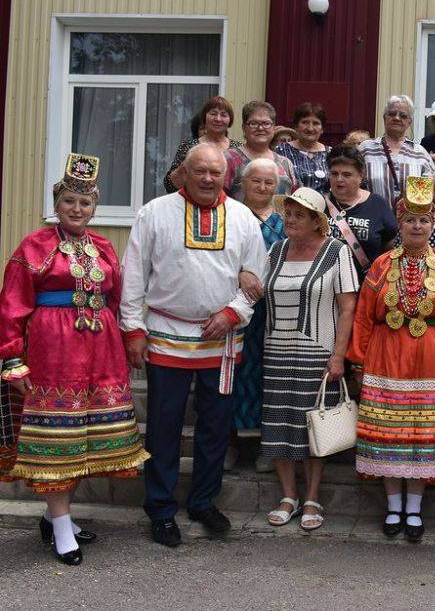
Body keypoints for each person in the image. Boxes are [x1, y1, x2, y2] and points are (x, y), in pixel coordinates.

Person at [0, 154, 149, 565]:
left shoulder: (101, 246)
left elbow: (117, 299)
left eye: (85, 203)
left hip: (100, 351)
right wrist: (12, 359)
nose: (77, 209)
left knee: (85, 437)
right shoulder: (35, 246)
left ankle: (56, 518)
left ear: (94, 207)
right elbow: (11, 304)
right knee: (59, 440)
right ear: (56, 203)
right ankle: (62, 526)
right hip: (53, 352)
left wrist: (127, 338)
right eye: (69, 201)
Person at [121, 144, 268, 548]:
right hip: (166, 336)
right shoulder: (154, 212)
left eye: (214, 173)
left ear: (226, 177)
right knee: (163, 428)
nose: (207, 179)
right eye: (199, 171)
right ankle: (162, 508)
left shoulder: (242, 218)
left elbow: (256, 277)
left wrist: (232, 314)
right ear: (183, 173)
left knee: (215, 428)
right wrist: (133, 330)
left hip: (221, 343)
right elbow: (133, 274)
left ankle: (203, 501)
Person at [347, 176, 435, 542]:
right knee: (388, 430)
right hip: (385, 355)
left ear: (433, 224)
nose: (418, 226)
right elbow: (365, 316)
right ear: (399, 224)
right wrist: (358, 361)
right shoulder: (382, 266)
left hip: (431, 357)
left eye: (425, 220)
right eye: (410, 220)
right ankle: (393, 506)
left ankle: (414, 508)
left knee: (423, 432)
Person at [261, 188, 359, 532]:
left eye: (298, 215)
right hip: (275, 350)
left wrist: (338, 355)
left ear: (317, 222)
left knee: (313, 426)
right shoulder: (274, 251)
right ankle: (288, 496)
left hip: (317, 353)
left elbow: (348, 308)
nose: (289, 219)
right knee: (279, 422)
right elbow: (257, 290)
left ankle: (313, 497)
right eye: (288, 213)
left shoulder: (337, 252)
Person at [229, 158, 288, 473]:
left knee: (271, 376)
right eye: (256, 181)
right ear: (244, 183)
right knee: (235, 377)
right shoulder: (231, 215)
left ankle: (269, 445)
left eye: (269, 182)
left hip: (274, 314)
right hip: (236, 310)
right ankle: (232, 442)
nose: (263, 187)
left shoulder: (283, 221)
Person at [325, 145, 397, 281]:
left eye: (346, 174)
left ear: (361, 176)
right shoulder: (319, 203)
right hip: (324, 285)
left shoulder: (377, 204)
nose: (339, 179)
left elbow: (392, 251)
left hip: (364, 288)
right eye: (334, 174)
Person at [359, 95, 435, 204]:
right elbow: (355, 186)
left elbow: (427, 195)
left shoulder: (420, 153)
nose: (397, 118)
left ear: (409, 122)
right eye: (392, 114)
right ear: (384, 117)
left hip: (409, 219)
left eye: (403, 116)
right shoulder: (366, 149)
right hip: (374, 219)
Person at [164, 95, 242, 193]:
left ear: (230, 120)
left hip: (230, 206)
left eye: (223, 115)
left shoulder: (238, 148)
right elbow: (169, 186)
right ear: (204, 117)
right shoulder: (189, 147)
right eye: (213, 114)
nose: (218, 119)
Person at [225, 101, 297, 200]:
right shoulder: (229, 159)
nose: (260, 128)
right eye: (253, 123)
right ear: (243, 128)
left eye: (266, 123)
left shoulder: (285, 163)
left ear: (273, 127)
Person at [274, 102, 332, 194]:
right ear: (296, 126)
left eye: (316, 123)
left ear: (322, 129)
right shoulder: (281, 151)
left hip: (326, 207)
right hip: (289, 206)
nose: (310, 128)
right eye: (305, 122)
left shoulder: (330, 153)